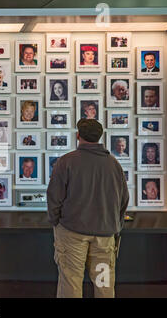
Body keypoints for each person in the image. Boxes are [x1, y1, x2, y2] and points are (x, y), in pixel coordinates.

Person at [47, 118, 129, 298]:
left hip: (72, 232)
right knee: (103, 284)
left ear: (78, 136)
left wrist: (56, 222)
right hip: (104, 235)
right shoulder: (113, 164)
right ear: (100, 136)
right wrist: (115, 224)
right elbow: (123, 199)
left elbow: (54, 197)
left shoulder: (66, 162)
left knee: (71, 281)